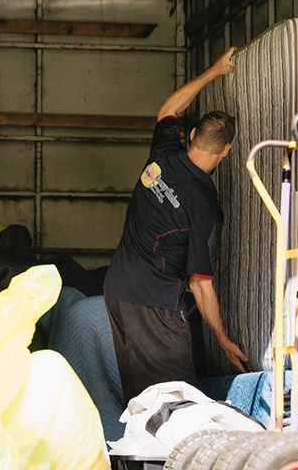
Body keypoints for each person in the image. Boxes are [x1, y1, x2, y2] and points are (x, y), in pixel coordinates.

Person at [104, 47, 248, 404]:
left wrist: (214, 71)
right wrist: (222, 339)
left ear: (193, 133)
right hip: (153, 305)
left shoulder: (164, 153)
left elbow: (168, 109)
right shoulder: (204, 206)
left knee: (143, 401)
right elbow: (200, 284)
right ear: (227, 151)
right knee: (176, 403)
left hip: (117, 291)